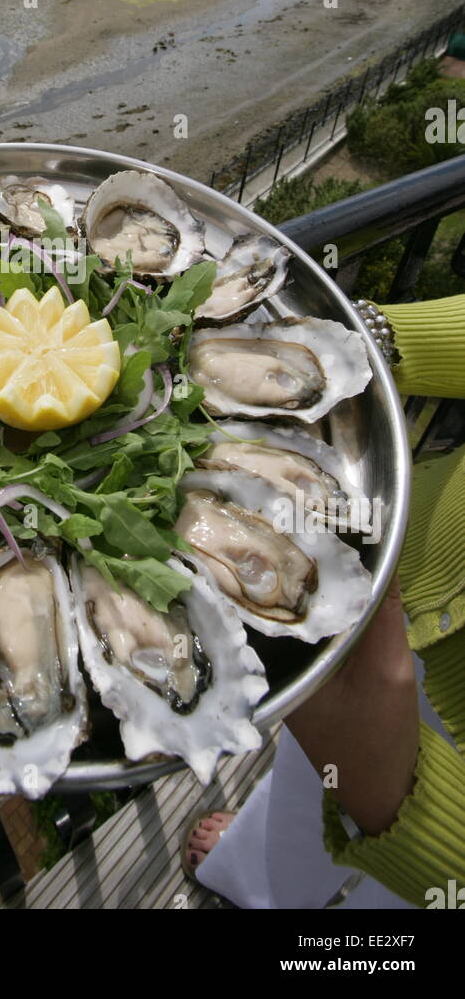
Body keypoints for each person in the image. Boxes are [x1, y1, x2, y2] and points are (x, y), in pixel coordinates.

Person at [185, 294, 465, 909]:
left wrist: (402, 809)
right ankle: (255, 872)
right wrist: (383, 343)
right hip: (394, 571)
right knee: (305, 786)